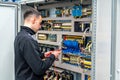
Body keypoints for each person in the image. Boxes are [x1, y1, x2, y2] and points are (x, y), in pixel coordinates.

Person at [14, 8, 61, 80]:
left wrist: (42, 55)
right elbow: (39, 69)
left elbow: (28, 57)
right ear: (33, 20)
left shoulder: (21, 35)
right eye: (40, 23)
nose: (40, 26)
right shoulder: (27, 39)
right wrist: (53, 56)